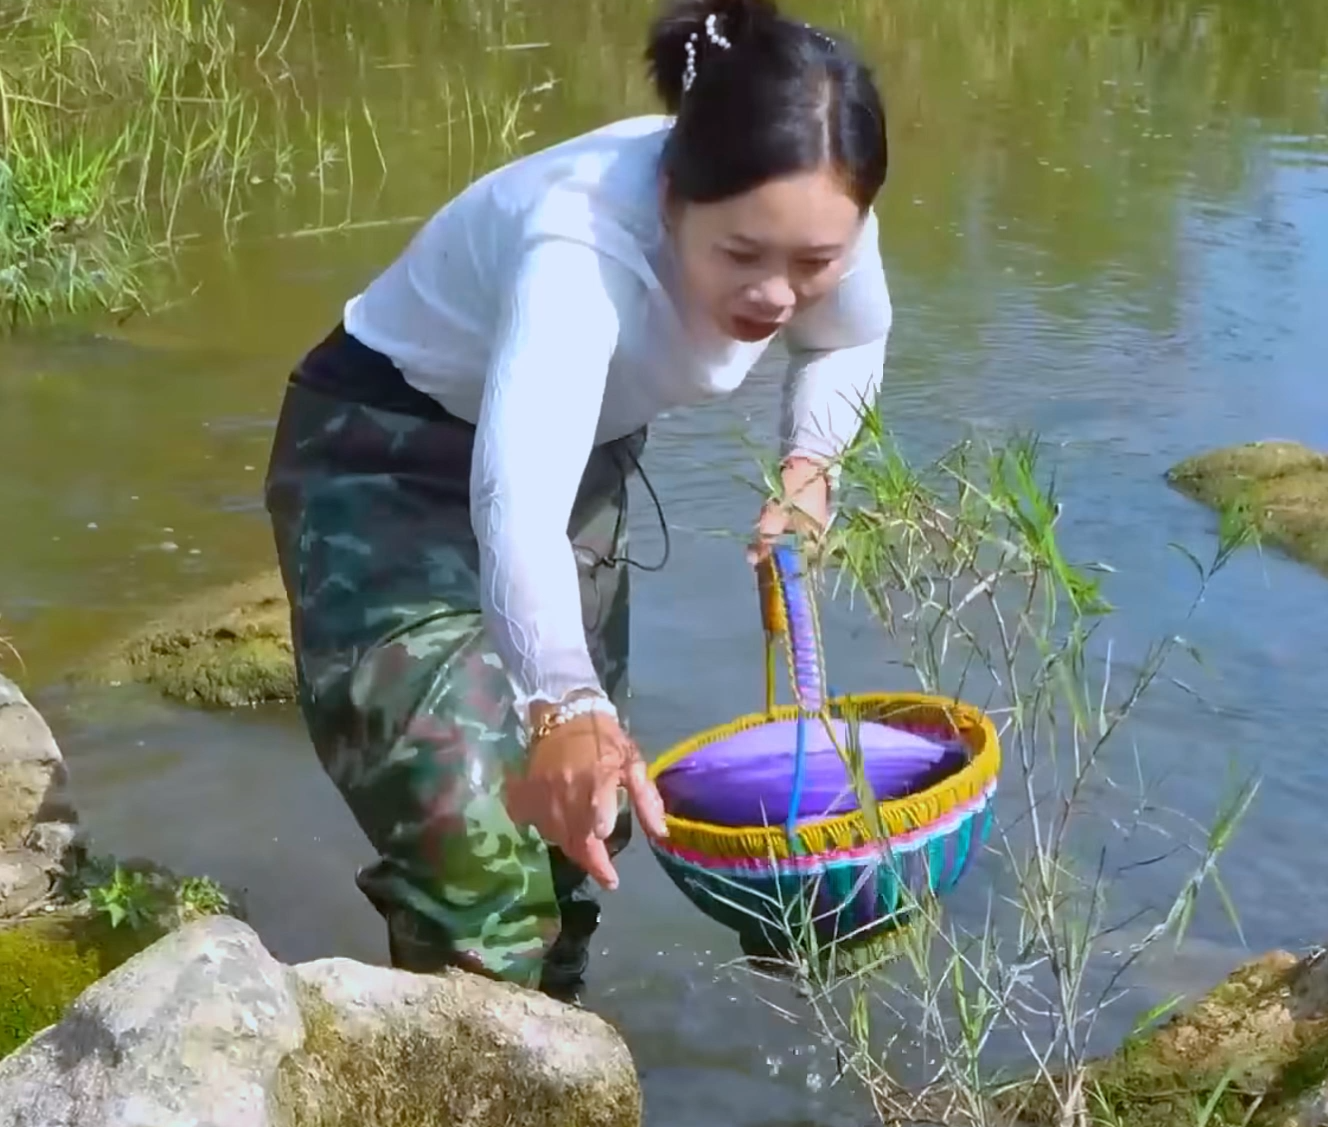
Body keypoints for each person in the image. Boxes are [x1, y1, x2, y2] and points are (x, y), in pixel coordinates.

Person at [264, 0, 891, 998]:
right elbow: (513, 508)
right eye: (742, 257)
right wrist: (560, 699)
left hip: (576, 467)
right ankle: (458, 1117)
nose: (777, 295)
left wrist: (809, 471)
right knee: (470, 855)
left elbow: (849, 338)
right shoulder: (579, 248)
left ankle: (555, 1073)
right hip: (387, 467)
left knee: (580, 829)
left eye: (814, 263)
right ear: (673, 195)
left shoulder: (809, 194)